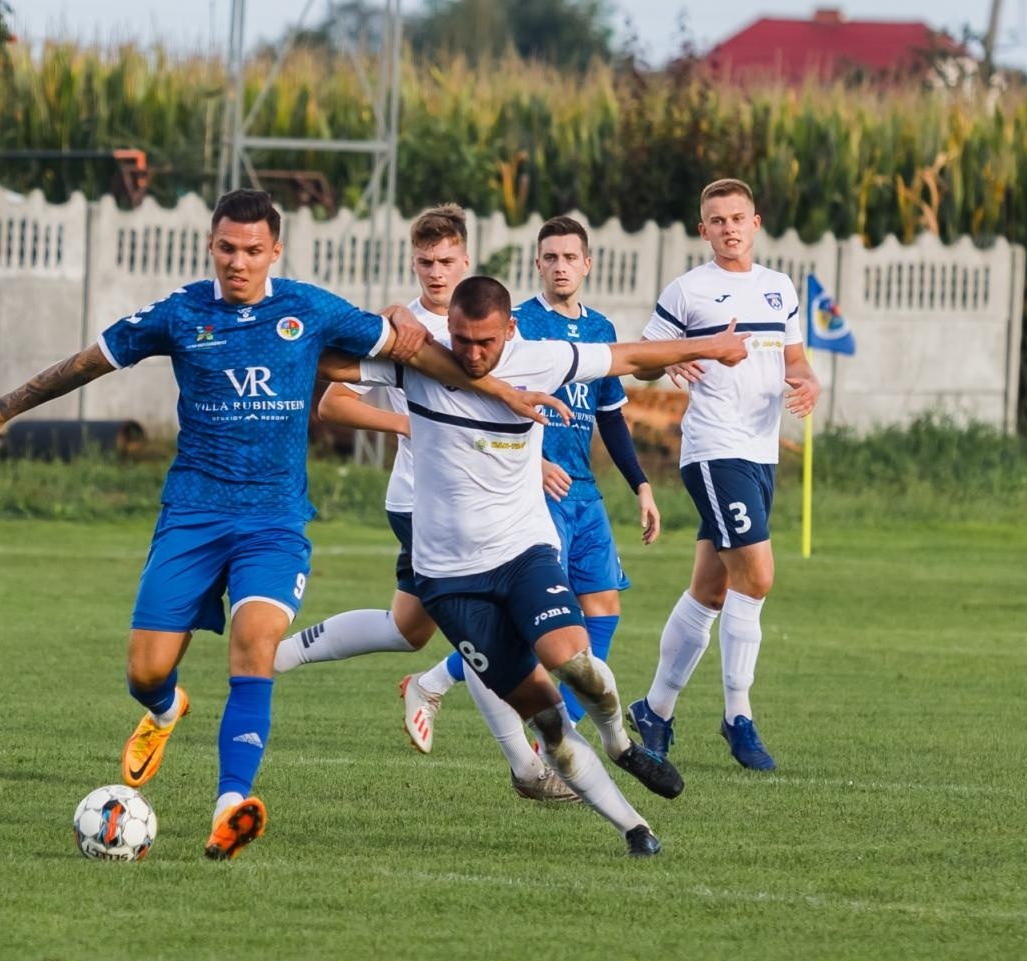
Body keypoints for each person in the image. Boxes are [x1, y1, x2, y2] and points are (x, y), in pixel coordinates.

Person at [0, 189, 562, 861]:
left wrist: (498, 388)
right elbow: (93, 359)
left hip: (274, 521)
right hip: (193, 514)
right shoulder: (182, 313)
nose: (238, 262)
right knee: (144, 669)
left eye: (252, 250)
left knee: (254, 646)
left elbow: (417, 354)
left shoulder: (309, 309)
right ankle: (163, 708)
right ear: (212, 247)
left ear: (275, 251)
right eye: (227, 249)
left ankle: (229, 808)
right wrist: (3, 408)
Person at [320, 275, 751, 856]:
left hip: (523, 552)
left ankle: (622, 745)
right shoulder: (418, 359)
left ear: (511, 331)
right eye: (464, 340)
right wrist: (388, 321)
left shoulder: (542, 358)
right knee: (547, 721)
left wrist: (710, 346)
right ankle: (635, 829)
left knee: (573, 662)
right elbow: (327, 364)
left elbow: (629, 355)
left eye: (486, 343)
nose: (473, 354)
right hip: (448, 582)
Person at [271, 206, 573, 802]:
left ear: (467, 260)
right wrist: (412, 426)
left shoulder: (485, 325)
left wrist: (524, 457)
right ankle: (525, 767)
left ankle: (277, 654)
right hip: (421, 502)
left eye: (447, 262)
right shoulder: (402, 331)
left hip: (478, 506)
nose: (436, 273)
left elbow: (500, 411)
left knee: (408, 629)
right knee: (489, 632)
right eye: (425, 263)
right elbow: (331, 406)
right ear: (414, 264)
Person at [405, 216, 659, 767]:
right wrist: (537, 461)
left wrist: (640, 484)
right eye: (551, 257)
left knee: (602, 605)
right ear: (537, 264)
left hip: (585, 492)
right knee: (535, 623)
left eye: (571, 257)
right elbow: (486, 407)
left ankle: (578, 723)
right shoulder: (517, 328)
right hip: (532, 494)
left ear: (588, 264)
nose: (561, 266)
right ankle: (474, 696)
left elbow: (611, 418)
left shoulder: (599, 328)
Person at [626, 178, 821, 772]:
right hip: (714, 450)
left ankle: (655, 709)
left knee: (712, 588)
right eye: (717, 219)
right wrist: (681, 360)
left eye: (738, 217)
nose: (729, 227)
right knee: (757, 577)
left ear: (756, 222)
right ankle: (739, 716)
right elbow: (644, 358)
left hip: (762, 452)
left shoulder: (778, 289)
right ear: (703, 227)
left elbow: (795, 360)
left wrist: (810, 382)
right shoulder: (689, 291)